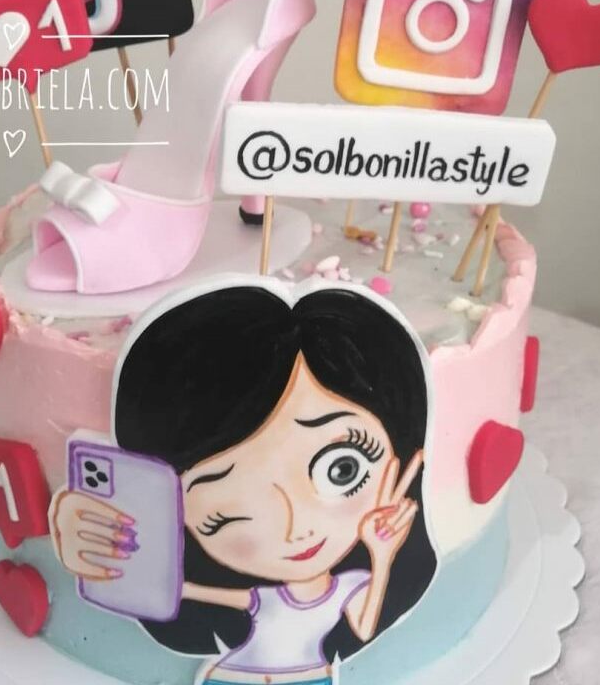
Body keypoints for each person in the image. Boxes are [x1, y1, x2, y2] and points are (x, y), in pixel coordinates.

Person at [51, 282, 437, 683]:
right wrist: (120, 561)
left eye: (342, 469)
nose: (294, 528)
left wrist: (383, 554)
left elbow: (365, 624)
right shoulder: (259, 597)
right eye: (229, 504)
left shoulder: (350, 587)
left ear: (407, 460)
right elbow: (182, 591)